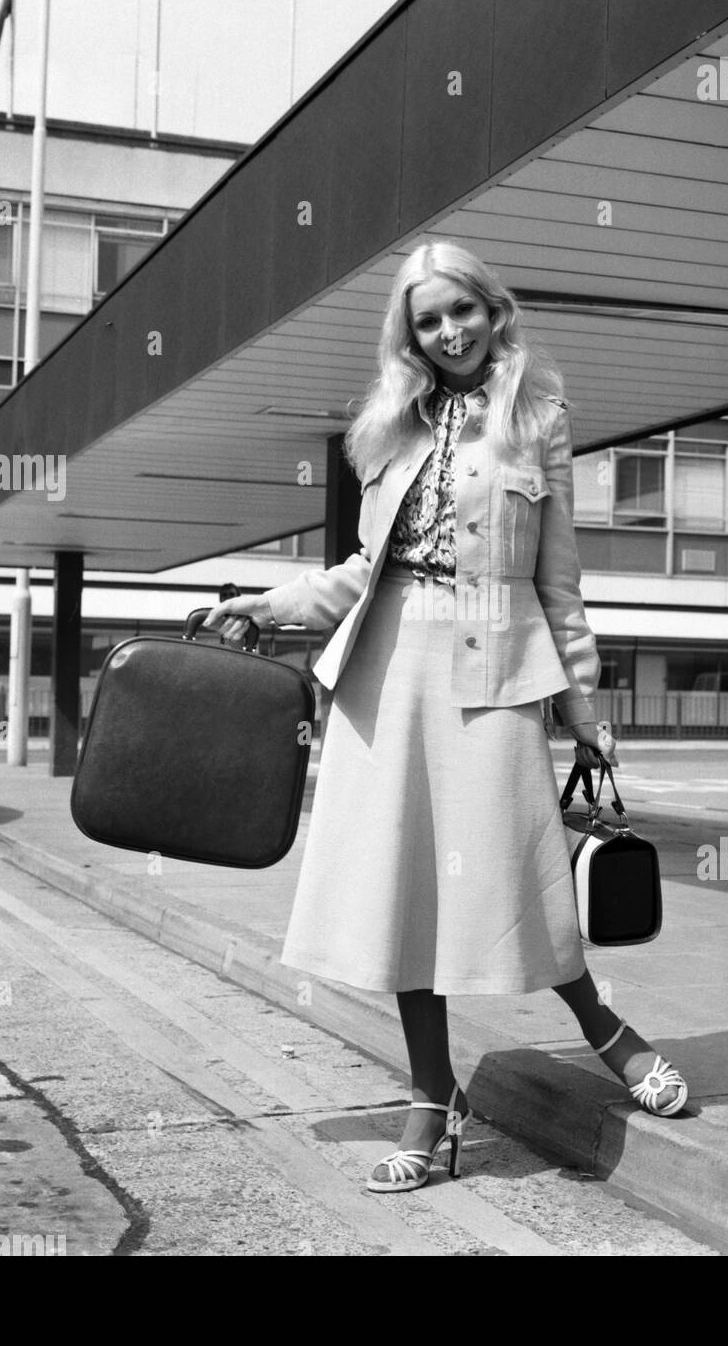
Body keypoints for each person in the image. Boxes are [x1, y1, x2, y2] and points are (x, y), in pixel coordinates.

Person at [204, 240, 688, 1193]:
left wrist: (584, 703)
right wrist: (268, 606)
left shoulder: (540, 420)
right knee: (404, 890)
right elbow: (361, 570)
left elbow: (558, 577)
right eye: (428, 320)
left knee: (522, 875)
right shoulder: (388, 425)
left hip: (499, 666)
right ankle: (434, 1099)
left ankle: (612, 1039)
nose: (448, 332)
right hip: (387, 670)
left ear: (492, 309)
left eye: (461, 311)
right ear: (410, 336)